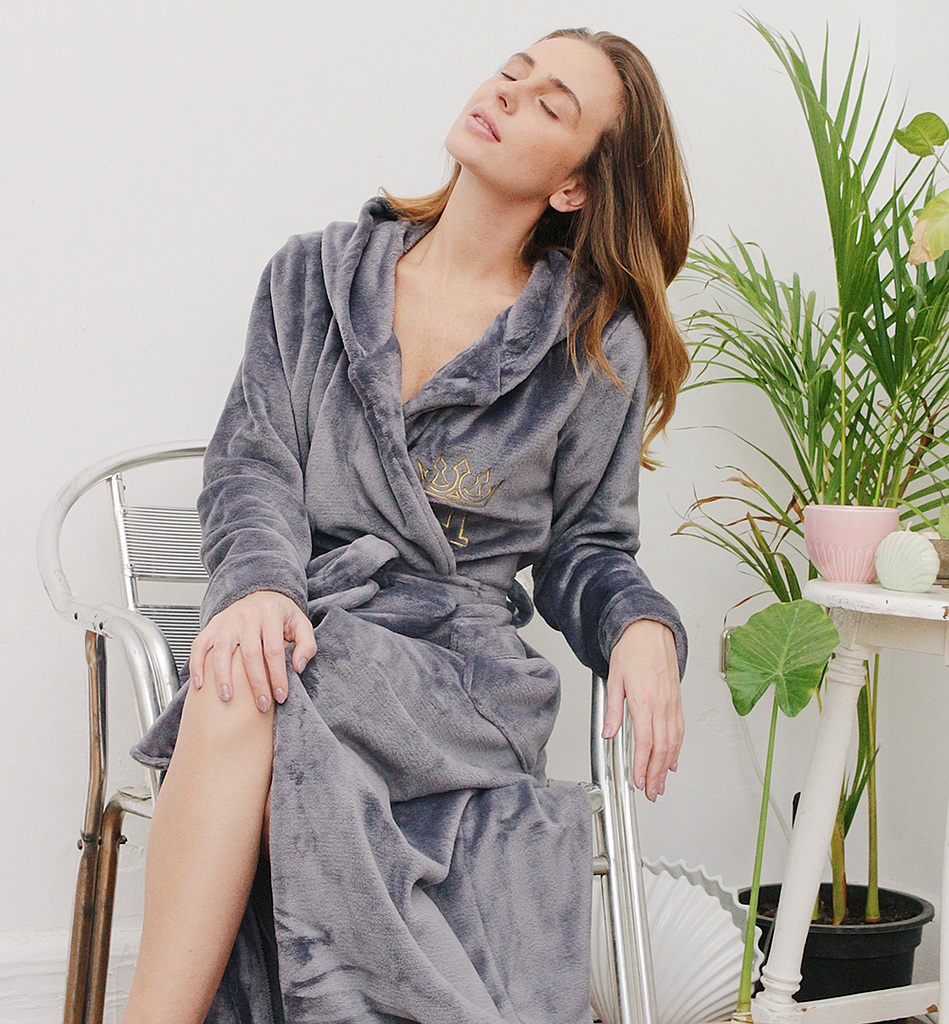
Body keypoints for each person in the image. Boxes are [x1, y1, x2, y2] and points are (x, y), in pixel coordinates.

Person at [125, 27, 691, 1024]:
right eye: (512, 71)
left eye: (550, 104)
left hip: (459, 676)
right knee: (244, 669)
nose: (508, 93)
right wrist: (257, 586)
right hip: (310, 620)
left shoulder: (592, 342)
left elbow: (587, 547)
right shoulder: (312, 278)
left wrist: (638, 622)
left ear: (573, 186)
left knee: (256, 683)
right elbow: (253, 464)